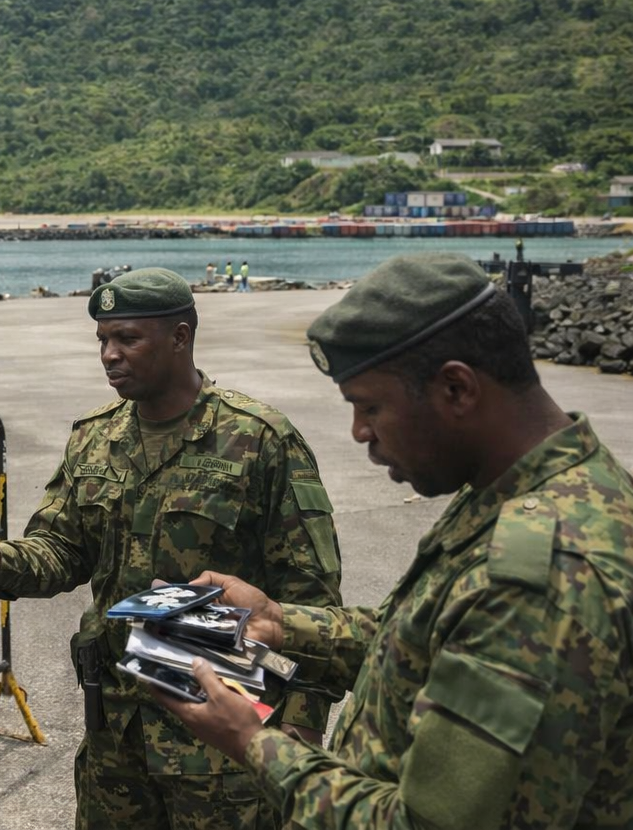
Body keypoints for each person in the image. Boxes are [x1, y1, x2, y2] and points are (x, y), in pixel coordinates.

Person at [152, 253, 633, 827]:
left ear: (457, 388)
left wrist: (253, 742)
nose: (360, 432)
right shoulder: (533, 487)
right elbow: (425, 640)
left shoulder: (540, 576)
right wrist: (278, 623)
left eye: (370, 406)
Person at [0, 268, 343, 830]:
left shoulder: (258, 439)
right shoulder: (94, 437)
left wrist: (301, 724)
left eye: (127, 338)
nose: (109, 355)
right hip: (116, 735)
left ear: (180, 337)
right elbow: (62, 549)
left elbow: (311, 595)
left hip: (220, 730)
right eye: (103, 340)